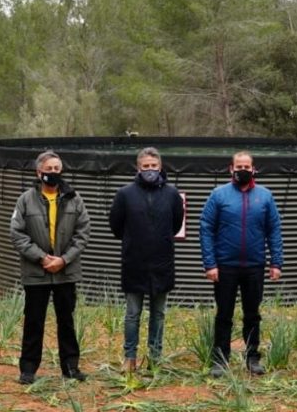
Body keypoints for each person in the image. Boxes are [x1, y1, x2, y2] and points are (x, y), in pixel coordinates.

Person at [199, 150, 284, 377]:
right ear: (231, 169)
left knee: (252, 315)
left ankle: (253, 359)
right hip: (225, 266)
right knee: (224, 314)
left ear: (253, 169)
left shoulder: (265, 196)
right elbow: (206, 228)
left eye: (247, 167)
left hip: (254, 266)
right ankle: (220, 360)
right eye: (239, 167)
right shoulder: (219, 195)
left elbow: (273, 229)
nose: (243, 171)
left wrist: (276, 262)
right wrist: (210, 264)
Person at [10, 151, 91, 385]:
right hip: (36, 272)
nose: (53, 173)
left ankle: (70, 368)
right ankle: (28, 369)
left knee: (66, 320)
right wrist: (42, 258)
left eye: (57, 169)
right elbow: (17, 233)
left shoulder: (74, 198)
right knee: (34, 321)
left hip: (66, 272)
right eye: (49, 169)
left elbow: (83, 233)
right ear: (39, 172)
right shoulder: (25, 199)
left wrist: (64, 259)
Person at [109, 147, 185, 373]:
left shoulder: (172, 194)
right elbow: (116, 226)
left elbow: (176, 224)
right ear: (138, 168)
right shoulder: (125, 194)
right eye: (145, 167)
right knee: (132, 314)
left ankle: (155, 357)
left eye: (153, 166)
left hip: (162, 263)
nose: (150, 170)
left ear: (160, 167)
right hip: (134, 263)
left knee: (159, 313)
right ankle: (129, 358)